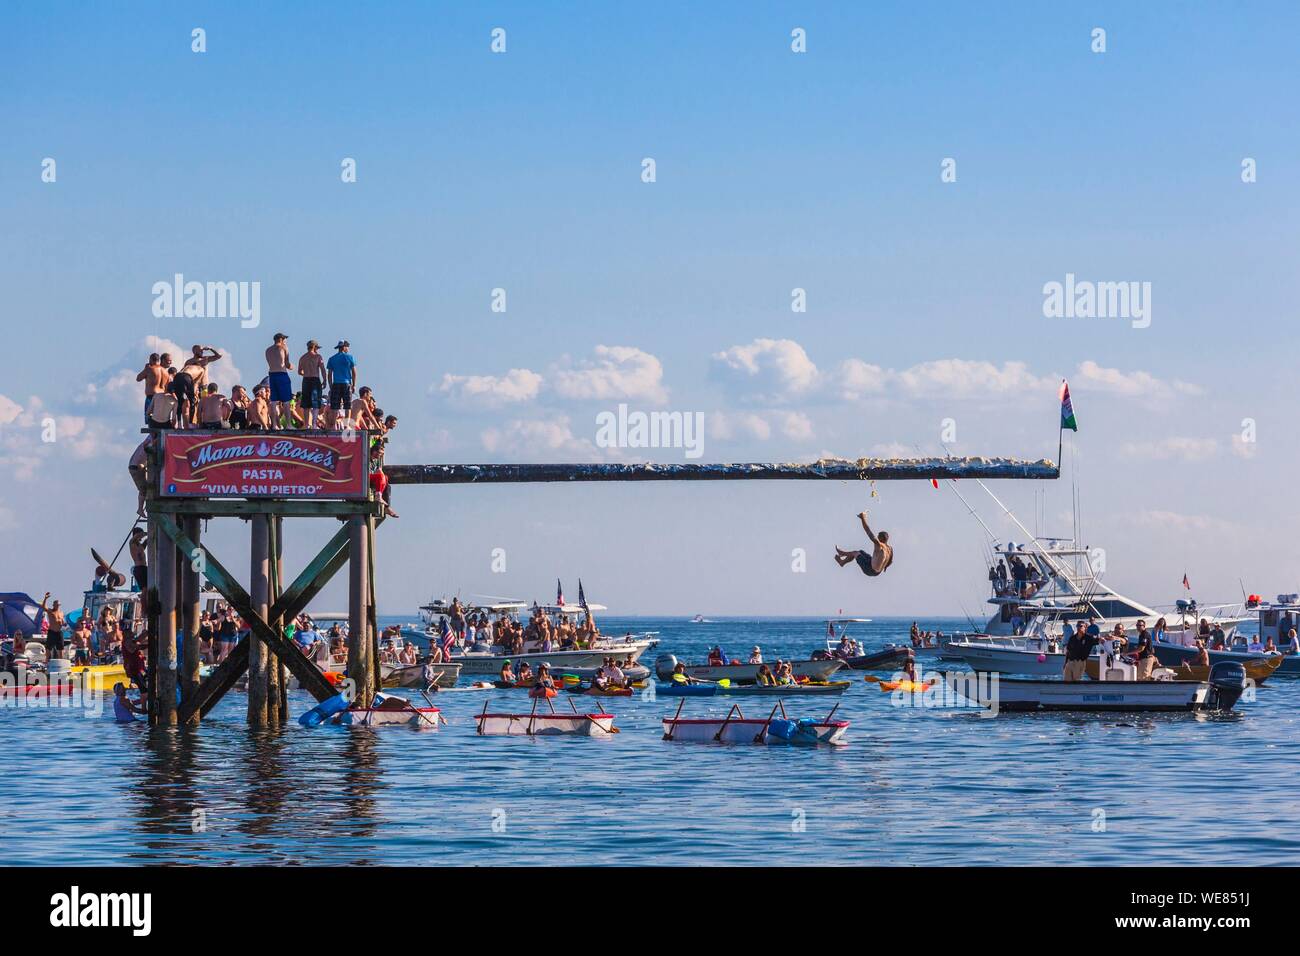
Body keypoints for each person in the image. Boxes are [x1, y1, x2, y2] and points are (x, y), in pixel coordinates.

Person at [835, 511, 893, 578]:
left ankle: (842, 553)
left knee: (855, 553)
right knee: (861, 552)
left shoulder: (879, 545)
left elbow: (869, 532)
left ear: (880, 538)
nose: (877, 537)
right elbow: (890, 560)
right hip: (876, 570)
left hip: (869, 570)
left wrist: (863, 519)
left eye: (878, 536)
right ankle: (842, 562)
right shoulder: (890, 549)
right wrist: (885, 567)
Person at [264, 333, 294, 429]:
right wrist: (292, 366)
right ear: (281, 339)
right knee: (286, 401)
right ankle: (289, 425)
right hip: (281, 374)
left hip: (272, 375)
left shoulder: (268, 350)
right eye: (284, 339)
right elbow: (287, 363)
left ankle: (274, 425)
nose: (285, 341)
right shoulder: (283, 347)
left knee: (273, 401)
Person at [326, 340, 357, 429]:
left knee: (335, 406)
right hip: (346, 383)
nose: (348, 349)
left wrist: (331, 385)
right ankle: (346, 425)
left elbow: (329, 374)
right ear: (344, 347)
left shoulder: (332, 359)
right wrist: (354, 384)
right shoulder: (350, 357)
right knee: (347, 405)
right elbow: (354, 372)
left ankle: (333, 426)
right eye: (347, 347)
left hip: (336, 383)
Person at [297, 340, 327, 428]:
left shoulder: (302, 357)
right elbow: (322, 369)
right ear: (314, 347)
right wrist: (324, 380)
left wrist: (306, 373)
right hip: (315, 379)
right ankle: (314, 424)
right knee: (316, 402)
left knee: (306, 404)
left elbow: (299, 371)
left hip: (306, 380)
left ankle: (307, 425)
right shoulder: (318, 357)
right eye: (317, 348)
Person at [136, 353, 171, 424]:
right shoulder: (166, 372)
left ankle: (153, 434)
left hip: (152, 396)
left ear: (151, 360)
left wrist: (145, 368)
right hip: (162, 397)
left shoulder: (150, 369)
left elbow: (138, 378)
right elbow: (168, 386)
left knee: (149, 418)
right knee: (160, 419)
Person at [39, 592, 65, 661]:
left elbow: (62, 621)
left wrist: (63, 623)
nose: (57, 605)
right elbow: (43, 606)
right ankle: (47, 660)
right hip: (52, 632)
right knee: (48, 647)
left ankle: (61, 661)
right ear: (53, 605)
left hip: (59, 632)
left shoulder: (61, 613)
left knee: (61, 648)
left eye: (58, 604)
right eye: (56, 604)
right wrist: (45, 598)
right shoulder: (50, 611)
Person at [129, 528, 148, 592]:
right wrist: (147, 533)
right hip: (139, 568)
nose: (142, 537)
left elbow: (145, 544)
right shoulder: (132, 543)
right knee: (145, 589)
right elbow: (137, 535)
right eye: (141, 535)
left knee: (148, 587)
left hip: (144, 567)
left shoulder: (140, 546)